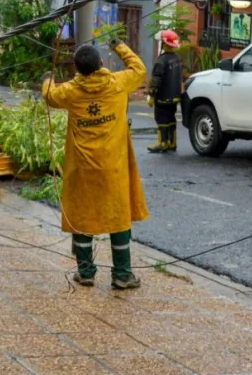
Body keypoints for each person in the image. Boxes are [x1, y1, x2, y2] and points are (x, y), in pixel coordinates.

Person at [42, 39, 149, 289]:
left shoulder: (70, 91)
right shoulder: (117, 83)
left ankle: (86, 272)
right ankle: (122, 275)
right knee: (119, 216)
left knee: (81, 216)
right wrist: (120, 46)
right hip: (114, 166)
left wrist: (48, 77)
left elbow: (49, 95)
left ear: (77, 69)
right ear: (101, 64)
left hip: (82, 168)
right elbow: (140, 70)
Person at [147, 29, 184, 153]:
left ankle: (162, 143)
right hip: (174, 97)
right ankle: (172, 143)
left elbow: (155, 80)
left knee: (161, 119)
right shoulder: (177, 58)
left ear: (164, 44)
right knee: (171, 118)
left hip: (162, 97)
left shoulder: (161, 60)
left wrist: (152, 95)